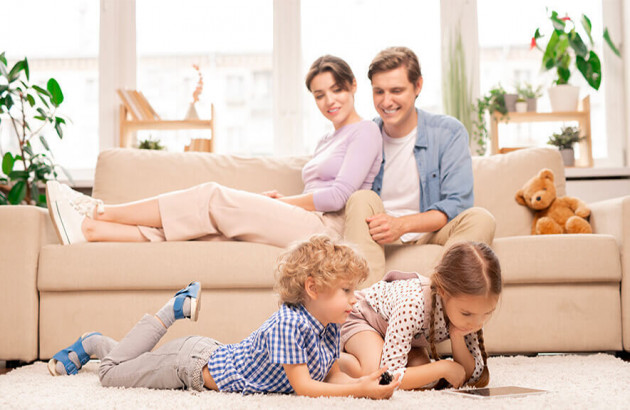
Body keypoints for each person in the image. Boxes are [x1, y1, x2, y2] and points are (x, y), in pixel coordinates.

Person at [46, 55, 382, 248]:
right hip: (307, 220)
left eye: (336, 90)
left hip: (329, 231)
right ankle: (92, 231)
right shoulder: (326, 141)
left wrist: (280, 203)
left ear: (353, 86)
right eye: (320, 94)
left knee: (211, 197)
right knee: (207, 224)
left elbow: (338, 197)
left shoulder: (365, 131)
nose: (329, 101)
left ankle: (99, 211)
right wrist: (283, 202)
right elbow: (317, 192)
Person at [48, 235, 400, 398]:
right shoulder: (290, 324)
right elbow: (305, 388)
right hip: (186, 366)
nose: (356, 299)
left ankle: (103, 345)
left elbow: (331, 375)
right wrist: (363, 392)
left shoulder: (328, 325)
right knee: (110, 376)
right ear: (312, 288)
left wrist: (361, 384)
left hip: (207, 354)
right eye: (347, 291)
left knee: (134, 362)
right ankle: (100, 340)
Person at [343, 47, 496, 285]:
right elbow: (339, 190)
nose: (386, 101)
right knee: (361, 198)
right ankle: (364, 313)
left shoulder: (448, 132)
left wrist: (402, 225)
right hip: (378, 237)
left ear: (418, 86)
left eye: (397, 91)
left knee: (481, 218)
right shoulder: (364, 135)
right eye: (378, 91)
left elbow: (458, 202)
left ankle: (442, 296)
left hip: (430, 233)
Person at [337, 241, 501, 390]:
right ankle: (330, 359)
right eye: (467, 314)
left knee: (424, 378)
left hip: (397, 334)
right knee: (377, 374)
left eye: (487, 313)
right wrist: (442, 367)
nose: (476, 323)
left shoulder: (471, 314)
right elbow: (388, 378)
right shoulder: (411, 306)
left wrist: (457, 336)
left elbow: (471, 374)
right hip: (363, 318)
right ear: (443, 291)